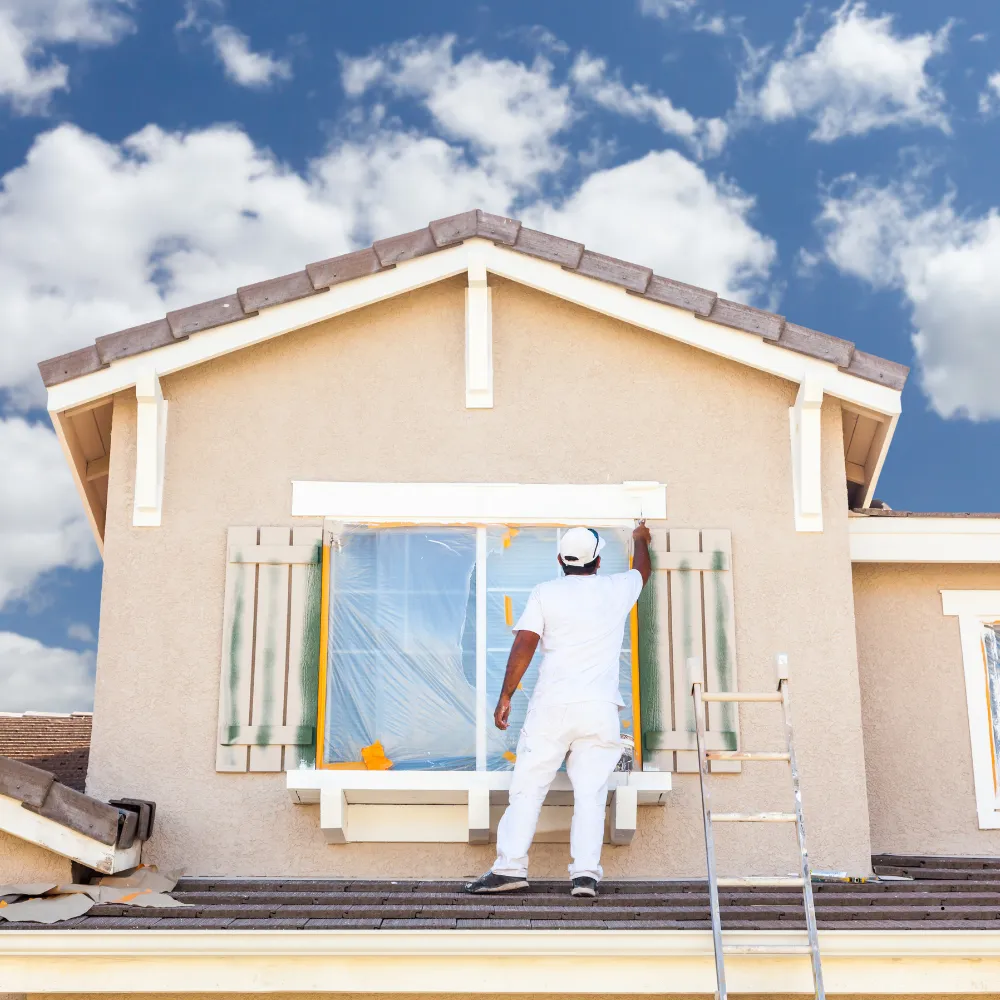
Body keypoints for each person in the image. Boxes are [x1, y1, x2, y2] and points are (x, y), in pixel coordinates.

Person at [465, 520, 652, 899]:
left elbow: (526, 643)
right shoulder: (616, 589)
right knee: (591, 793)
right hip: (599, 708)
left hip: (552, 706)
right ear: (597, 561)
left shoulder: (545, 593)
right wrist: (640, 539)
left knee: (528, 788)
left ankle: (509, 868)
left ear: (559, 560)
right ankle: (584, 876)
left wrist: (505, 697)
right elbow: (642, 572)